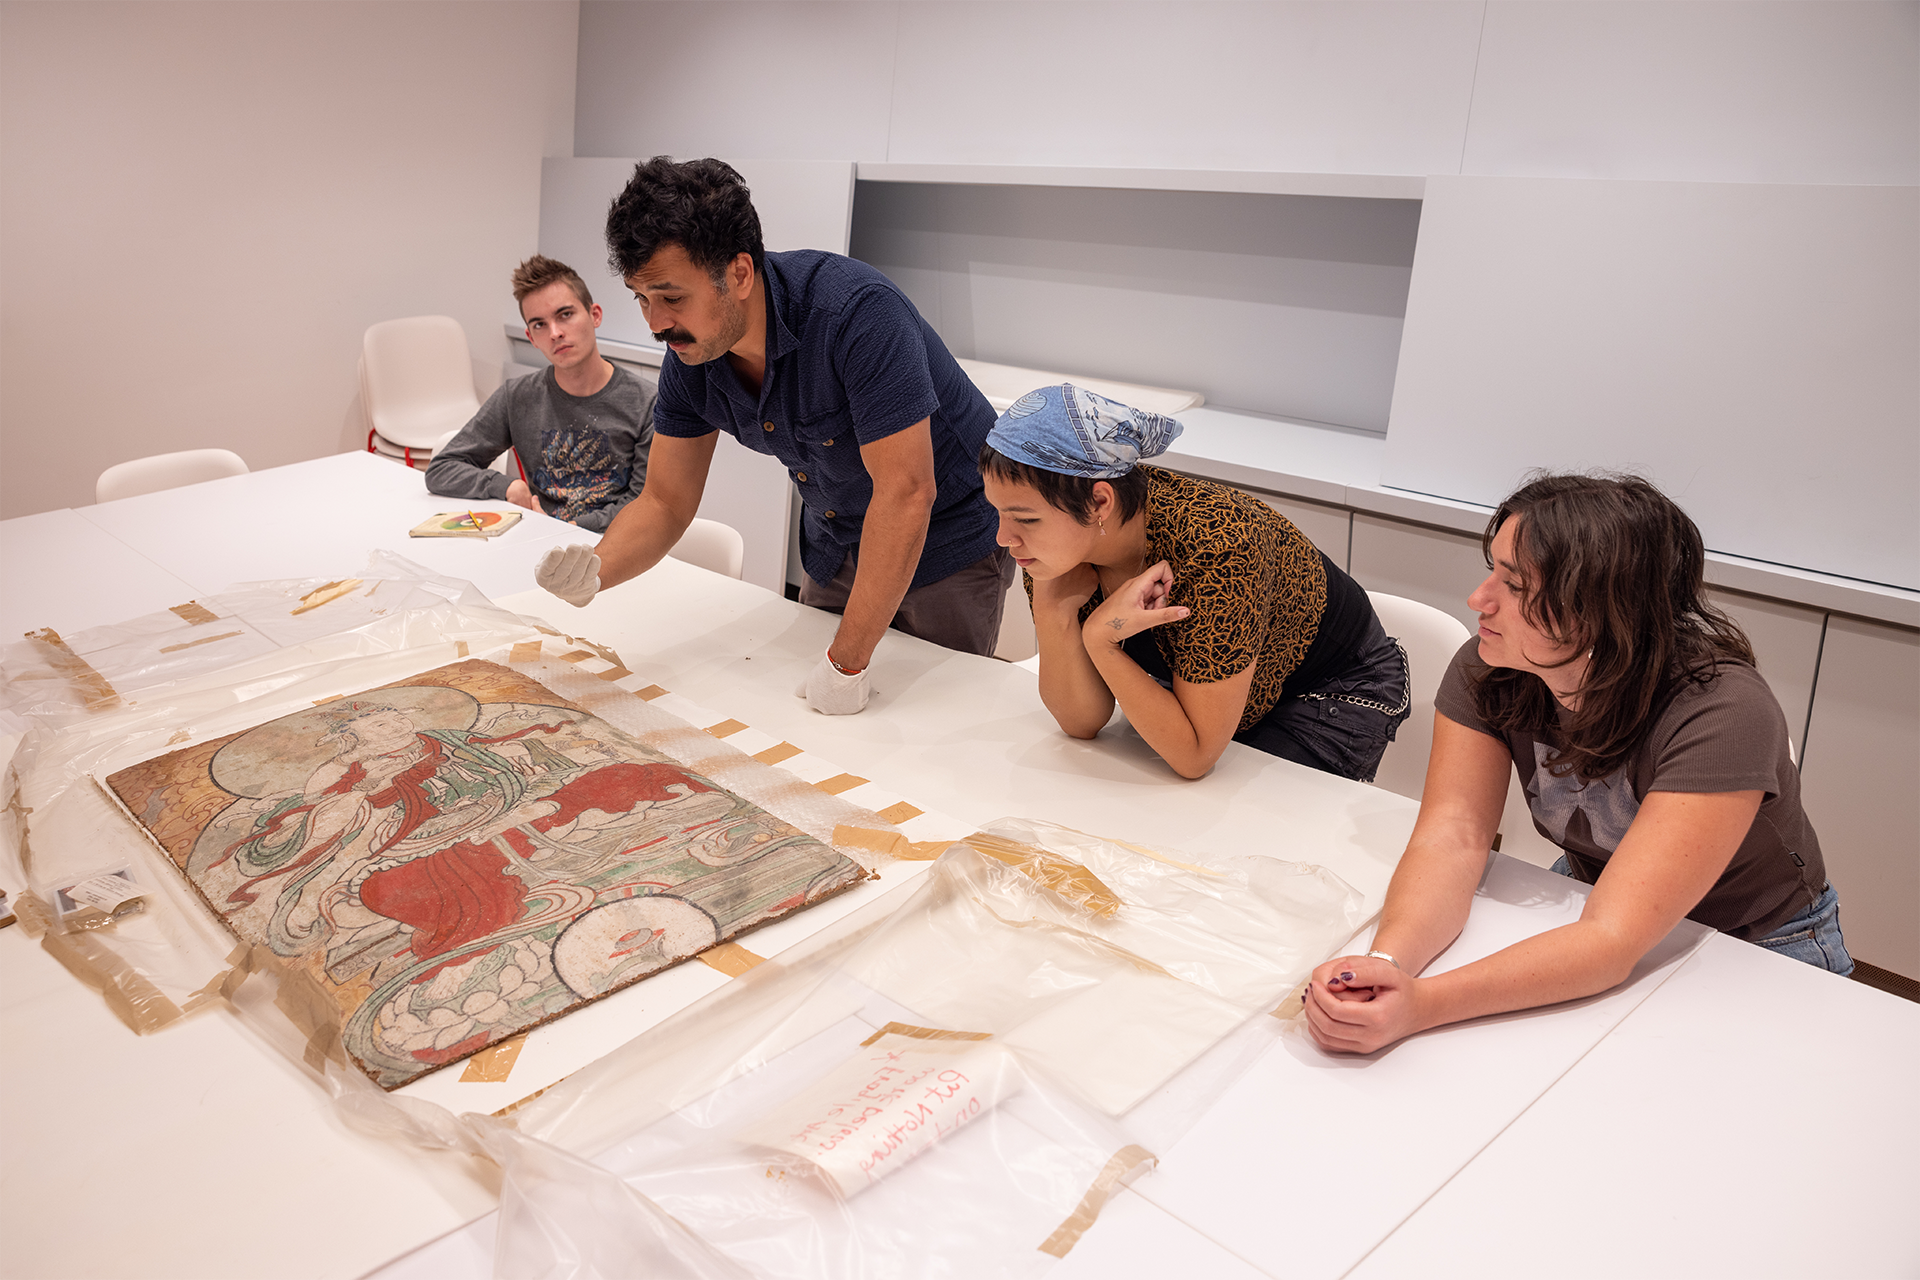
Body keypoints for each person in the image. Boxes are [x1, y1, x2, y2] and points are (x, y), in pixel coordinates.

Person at [1304, 473, 1853, 1056]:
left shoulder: (1722, 710)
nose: (1479, 600)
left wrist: (1422, 1004)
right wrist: (1388, 965)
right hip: (1597, 895)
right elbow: (1455, 837)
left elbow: (1613, 940)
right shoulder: (1492, 666)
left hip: (1757, 943)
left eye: (1514, 586)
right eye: (1493, 570)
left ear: (1600, 609)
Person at [533, 158, 1011, 716]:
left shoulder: (855, 316)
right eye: (641, 297)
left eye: (671, 296)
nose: (654, 323)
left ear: (738, 274)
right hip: (836, 539)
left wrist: (846, 662)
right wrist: (598, 569)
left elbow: (906, 495)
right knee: (808, 723)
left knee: (921, 732)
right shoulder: (692, 353)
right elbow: (665, 500)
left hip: (945, 544)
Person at [980, 383, 1409, 781]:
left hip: (1328, 688)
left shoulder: (1220, 546)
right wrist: (1052, 608)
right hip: (1214, 688)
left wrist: (1100, 640)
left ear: (1099, 503)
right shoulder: (1054, 551)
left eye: (1025, 519)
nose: (1004, 538)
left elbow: (1194, 756)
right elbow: (1082, 721)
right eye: (999, 512)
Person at [426, 255, 655, 533]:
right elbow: (442, 468)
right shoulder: (518, 397)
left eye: (565, 315)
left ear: (595, 315)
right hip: (539, 542)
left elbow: (646, 504)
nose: (555, 333)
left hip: (614, 543)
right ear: (531, 338)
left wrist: (568, 525)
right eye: (539, 325)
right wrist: (508, 485)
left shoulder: (646, 402)